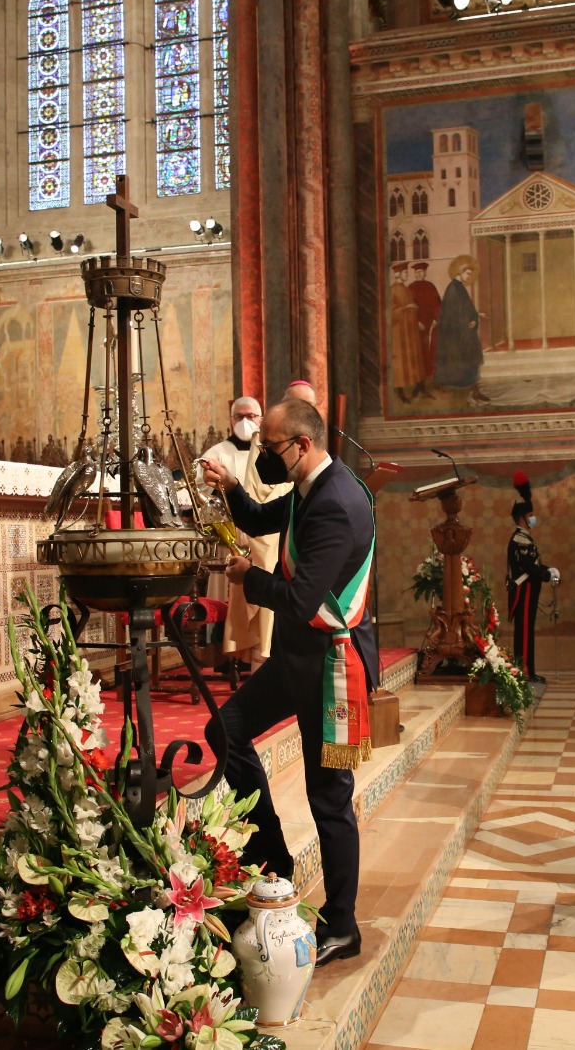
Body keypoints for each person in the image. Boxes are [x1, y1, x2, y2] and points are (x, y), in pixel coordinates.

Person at [200, 397, 373, 968]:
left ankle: (343, 926)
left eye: (269, 447)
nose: (262, 454)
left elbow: (300, 601)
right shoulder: (308, 489)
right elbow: (254, 518)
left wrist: (250, 578)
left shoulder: (337, 505)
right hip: (298, 661)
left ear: (301, 445)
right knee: (226, 727)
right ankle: (275, 864)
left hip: (327, 669)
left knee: (329, 800)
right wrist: (228, 484)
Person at [200, 397, 291, 668]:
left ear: (261, 419)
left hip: (272, 536)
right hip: (235, 536)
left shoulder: (269, 449)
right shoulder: (217, 452)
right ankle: (245, 657)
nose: (244, 421)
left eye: (250, 415)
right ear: (230, 419)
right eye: (238, 416)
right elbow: (202, 496)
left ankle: (266, 655)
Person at [506, 471, 557, 683]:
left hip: (529, 587)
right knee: (524, 631)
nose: (532, 519)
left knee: (527, 630)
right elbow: (528, 566)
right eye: (530, 516)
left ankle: (528, 670)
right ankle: (525, 671)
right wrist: (546, 574)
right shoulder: (520, 538)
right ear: (522, 518)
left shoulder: (525, 538)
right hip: (524, 588)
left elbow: (533, 563)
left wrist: (548, 569)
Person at [433, 254, 487, 402]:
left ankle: (475, 390)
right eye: (467, 273)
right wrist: (467, 323)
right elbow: (452, 313)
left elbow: (466, 309)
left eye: (470, 274)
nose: (469, 276)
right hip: (457, 334)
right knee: (466, 360)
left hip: (464, 332)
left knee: (471, 360)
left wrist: (475, 316)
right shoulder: (453, 289)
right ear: (460, 272)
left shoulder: (460, 288)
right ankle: (471, 390)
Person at [388, 262, 427, 404]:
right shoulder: (392, 290)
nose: (407, 275)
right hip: (399, 331)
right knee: (400, 361)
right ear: (398, 274)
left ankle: (417, 386)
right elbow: (390, 312)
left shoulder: (406, 289)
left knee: (412, 358)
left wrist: (417, 322)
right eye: (405, 273)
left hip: (410, 329)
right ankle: (400, 392)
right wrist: (406, 307)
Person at [409, 261, 442, 397]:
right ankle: (419, 385)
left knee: (433, 352)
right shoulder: (410, 288)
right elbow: (410, 307)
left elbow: (437, 304)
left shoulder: (430, 286)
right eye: (416, 272)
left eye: (420, 272)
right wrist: (416, 322)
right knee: (419, 354)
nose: (418, 274)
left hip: (431, 325)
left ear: (425, 273)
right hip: (417, 326)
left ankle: (435, 382)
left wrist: (436, 319)